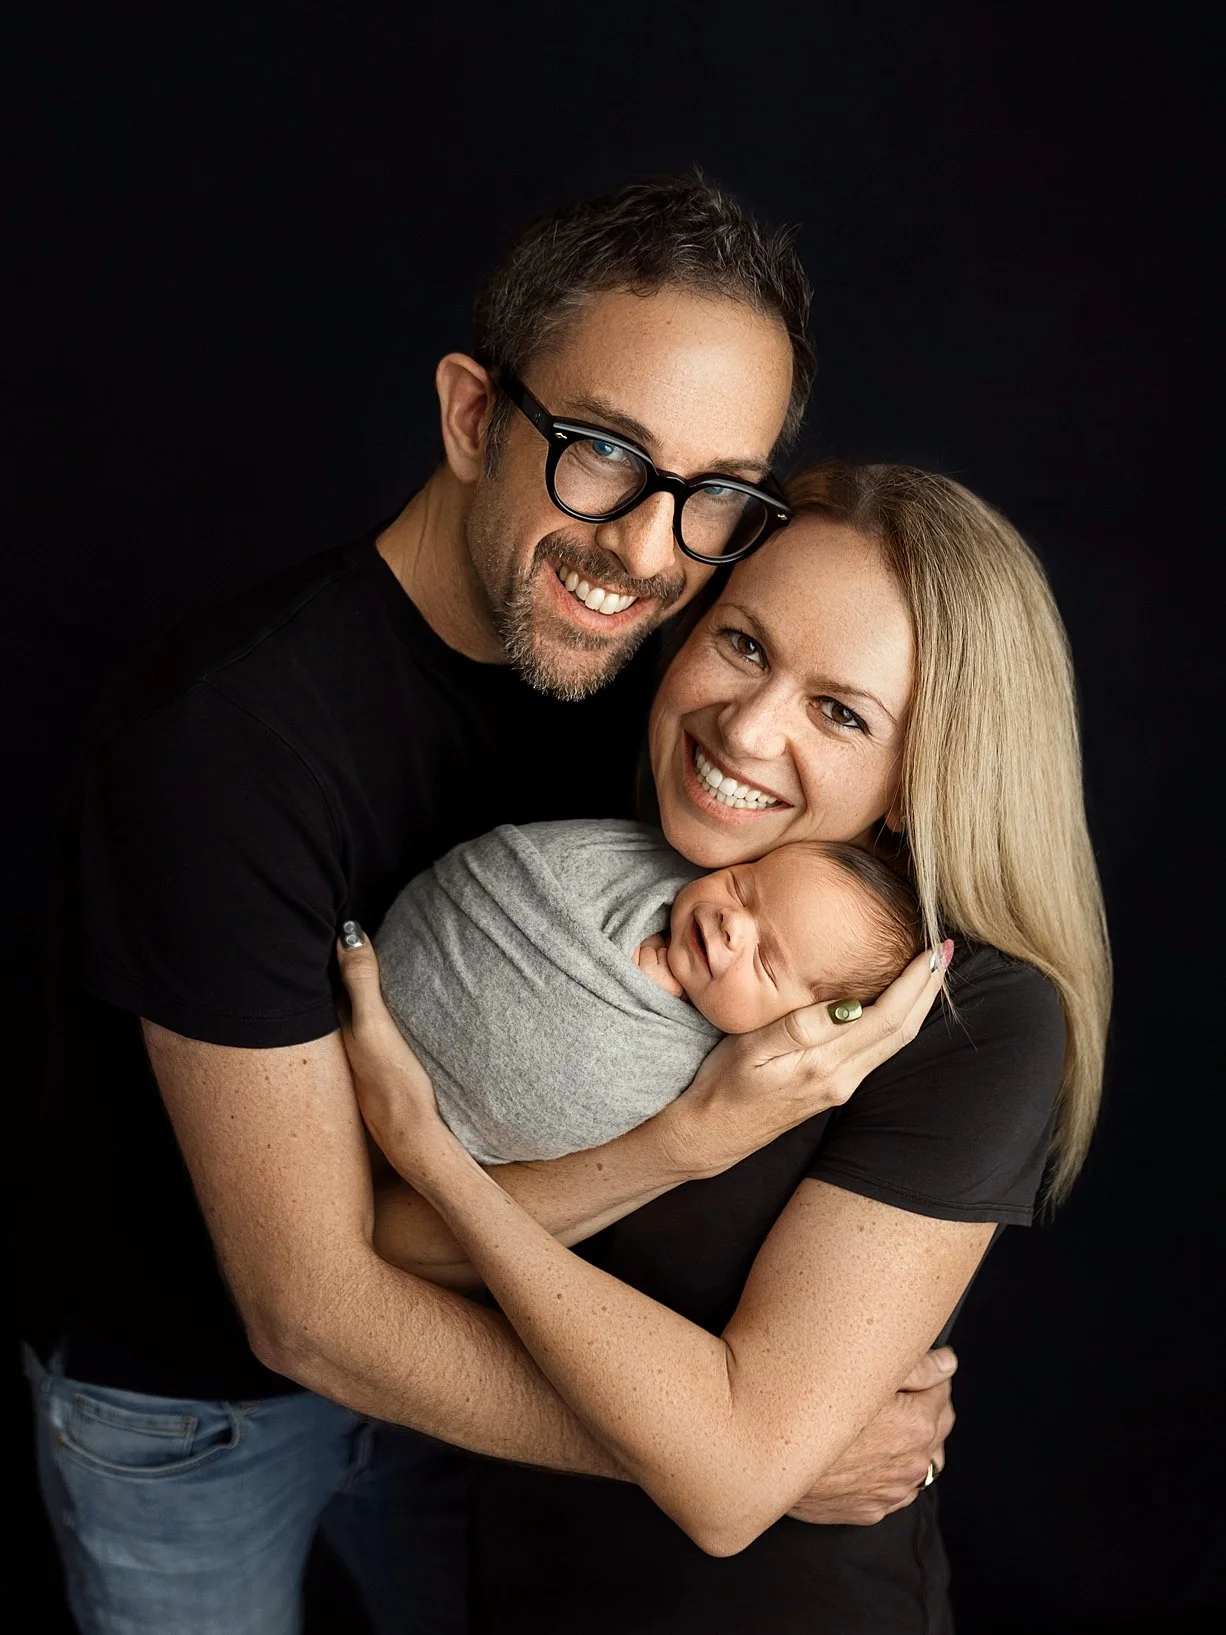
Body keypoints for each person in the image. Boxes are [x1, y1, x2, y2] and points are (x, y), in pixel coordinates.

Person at [24, 178, 958, 1635]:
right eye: (598, 453)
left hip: (489, 1348)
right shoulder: (223, 741)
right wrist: (752, 1447)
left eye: (713, 491)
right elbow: (307, 1301)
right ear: (472, 418)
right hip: (191, 1403)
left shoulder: (672, 691)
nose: (647, 550)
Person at [337, 458, 1112, 1633]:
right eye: (744, 644)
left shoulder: (964, 1012)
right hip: (519, 1578)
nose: (746, 729)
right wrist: (685, 1142)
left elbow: (729, 1488)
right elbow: (384, 1256)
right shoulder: (619, 855)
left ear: (915, 779)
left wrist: (433, 1159)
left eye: (841, 712)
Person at [373, 819, 921, 1166]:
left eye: (766, 960)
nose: (733, 924)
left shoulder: (721, 1076)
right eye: (741, 884)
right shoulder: (646, 872)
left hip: (429, 1138)